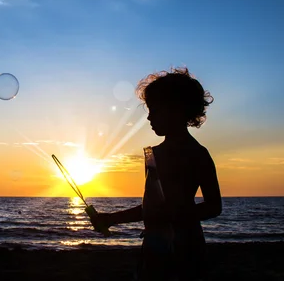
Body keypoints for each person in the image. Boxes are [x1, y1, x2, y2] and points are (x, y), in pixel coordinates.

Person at [95, 67, 222, 280]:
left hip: (185, 250)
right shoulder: (153, 155)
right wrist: (110, 219)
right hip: (155, 248)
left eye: (155, 110)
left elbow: (214, 206)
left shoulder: (197, 154)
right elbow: (151, 208)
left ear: (177, 109)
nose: (149, 117)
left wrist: (173, 217)